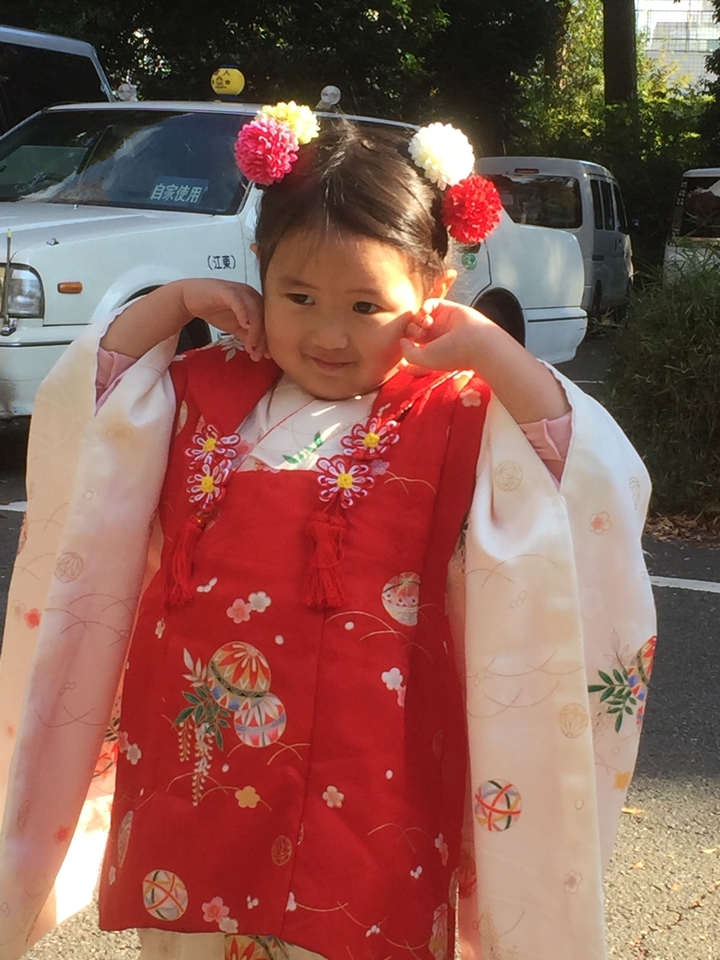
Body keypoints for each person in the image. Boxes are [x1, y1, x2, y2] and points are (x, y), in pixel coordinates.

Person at [0, 107, 656, 960]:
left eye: (365, 304)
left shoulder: (457, 410)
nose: (328, 333)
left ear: (431, 293)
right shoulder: (204, 386)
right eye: (298, 297)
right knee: (193, 934)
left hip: (372, 764)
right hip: (203, 757)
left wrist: (492, 353)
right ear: (257, 276)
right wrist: (176, 302)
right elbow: (92, 405)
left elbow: (581, 474)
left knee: (353, 931)